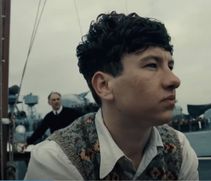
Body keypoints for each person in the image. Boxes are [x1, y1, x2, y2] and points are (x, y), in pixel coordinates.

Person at [25, 11, 199, 180]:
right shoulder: (56, 160)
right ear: (104, 85)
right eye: (152, 65)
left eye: (170, 66)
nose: (174, 80)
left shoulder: (179, 148)